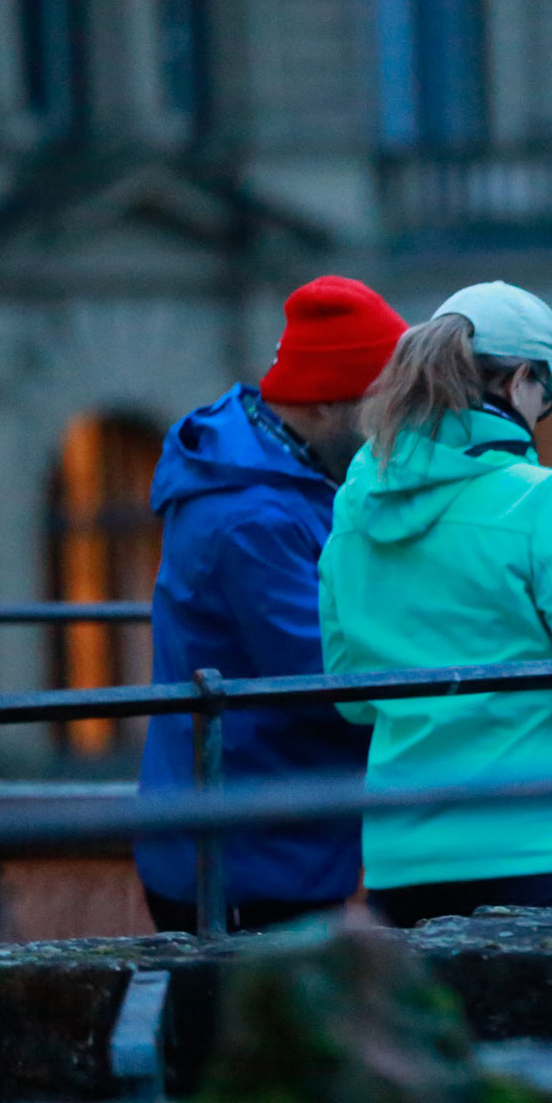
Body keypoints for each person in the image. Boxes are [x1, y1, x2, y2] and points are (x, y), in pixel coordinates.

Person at [319, 282, 552, 927]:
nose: (543, 411)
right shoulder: (538, 498)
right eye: (547, 397)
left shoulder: (354, 505)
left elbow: (351, 694)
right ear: (521, 379)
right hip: (541, 840)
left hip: (403, 851)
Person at [135, 275, 409, 933]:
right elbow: (324, 681)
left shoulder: (278, 477)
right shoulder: (253, 518)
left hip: (260, 838)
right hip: (249, 860)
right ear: (329, 402)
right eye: (387, 406)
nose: (398, 428)